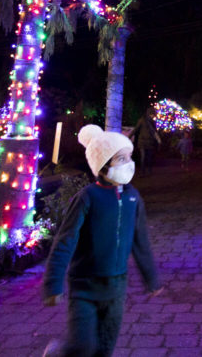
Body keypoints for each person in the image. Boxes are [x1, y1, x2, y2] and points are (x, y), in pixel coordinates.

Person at [43, 124, 162, 357]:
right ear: (103, 165)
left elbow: (141, 241)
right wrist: (53, 284)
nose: (129, 163)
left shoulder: (133, 198)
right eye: (121, 159)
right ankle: (58, 353)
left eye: (129, 157)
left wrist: (152, 279)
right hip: (84, 286)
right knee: (82, 347)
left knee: (105, 348)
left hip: (116, 289)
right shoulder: (87, 197)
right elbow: (65, 240)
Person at [131, 109, 161, 175]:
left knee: (148, 157)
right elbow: (136, 129)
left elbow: (155, 132)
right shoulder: (142, 120)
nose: (153, 116)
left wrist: (158, 140)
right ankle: (143, 172)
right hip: (143, 142)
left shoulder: (153, 122)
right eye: (153, 114)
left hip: (149, 142)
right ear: (149, 114)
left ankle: (148, 171)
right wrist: (129, 136)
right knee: (143, 157)